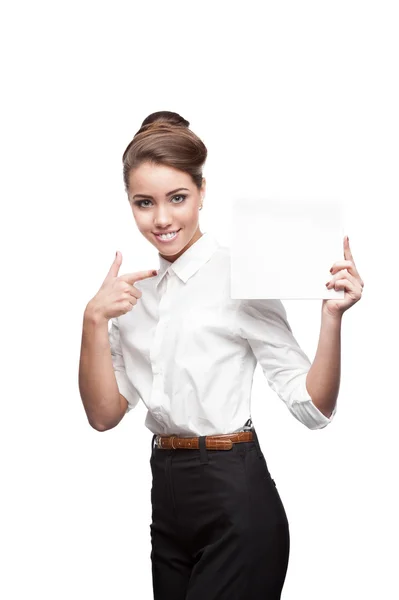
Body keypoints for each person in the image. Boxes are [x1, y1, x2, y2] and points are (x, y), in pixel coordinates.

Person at [79, 111, 364, 599]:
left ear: (202, 191)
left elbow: (314, 410)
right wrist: (92, 322)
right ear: (129, 203)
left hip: (235, 493)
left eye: (178, 198)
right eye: (144, 203)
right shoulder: (130, 297)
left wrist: (332, 318)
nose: (162, 219)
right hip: (166, 497)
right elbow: (104, 416)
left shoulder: (241, 276)